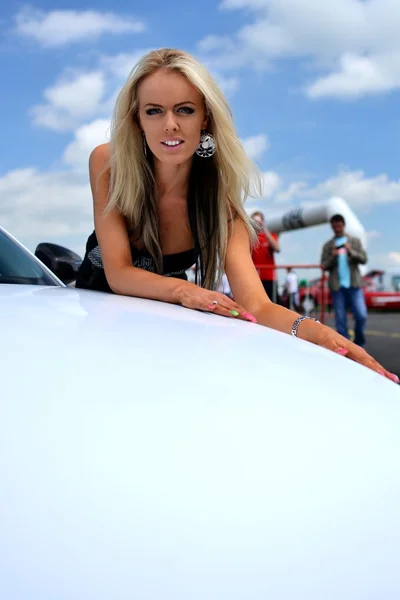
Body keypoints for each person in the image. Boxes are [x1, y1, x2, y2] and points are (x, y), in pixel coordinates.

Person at [76, 48, 397, 383]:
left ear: (205, 118)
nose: (169, 125)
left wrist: (323, 337)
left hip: (162, 327)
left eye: (184, 110)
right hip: (96, 315)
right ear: (138, 120)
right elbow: (119, 274)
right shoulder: (108, 164)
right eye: (154, 111)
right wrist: (185, 291)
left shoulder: (221, 208)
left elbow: (256, 306)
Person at [321, 214, 368, 348]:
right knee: (340, 320)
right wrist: (333, 256)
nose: (337, 227)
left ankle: (360, 345)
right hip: (337, 287)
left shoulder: (354, 241)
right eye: (334, 225)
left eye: (339, 224)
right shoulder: (328, 246)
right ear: (332, 227)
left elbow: (364, 259)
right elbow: (324, 265)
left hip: (354, 285)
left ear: (343, 225)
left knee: (361, 315)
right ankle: (346, 348)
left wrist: (350, 251)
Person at [251, 211, 280, 303]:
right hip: (254, 277)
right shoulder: (251, 237)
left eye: (259, 221)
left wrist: (265, 230)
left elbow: (277, 248)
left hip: (269, 277)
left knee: (272, 302)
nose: (257, 223)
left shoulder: (271, 235)